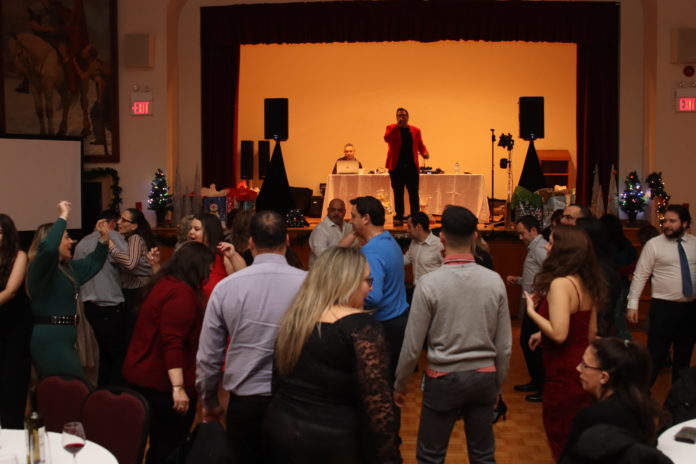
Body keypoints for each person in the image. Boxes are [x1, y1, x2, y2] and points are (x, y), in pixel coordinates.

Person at [394, 206, 512, 464]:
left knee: (430, 456)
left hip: (443, 378)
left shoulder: (429, 284)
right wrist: (498, 386)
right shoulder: (494, 281)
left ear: (442, 238)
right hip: (483, 378)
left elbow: (412, 346)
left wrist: (400, 383)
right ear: (475, 236)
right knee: (483, 456)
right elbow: (504, 345)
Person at [265, 247, 398, 463]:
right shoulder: (361, 327)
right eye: (367, 280)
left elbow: (277, 379)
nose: (371, 288)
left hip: (282, 428)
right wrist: (390, 457)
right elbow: (378, 405)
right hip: (333, 441)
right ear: (347, 282)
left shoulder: (296, 318)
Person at [196, 210, 307, 464]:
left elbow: (208, 355)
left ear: (250, 243)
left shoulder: (227, 287)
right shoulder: (309, 285)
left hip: (246, 402)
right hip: (296, 402)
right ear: (287, 240)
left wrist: (210, 401)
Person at [122, 241, 216, 464]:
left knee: (158, 447)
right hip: (161, 386)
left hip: (144, 379)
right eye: (208, 267)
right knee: (168, 449)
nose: (209, 272)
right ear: (196, 267)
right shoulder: (181, 293)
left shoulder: (164, 283)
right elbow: (172, 342)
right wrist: (178, 388)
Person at [524, 225, 604, 461]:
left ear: (564, 249)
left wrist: (532, 312)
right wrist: (543, 334)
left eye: (551, 242)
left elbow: (559, 334)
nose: (547, 247)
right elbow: (590, 332)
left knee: (560, 434)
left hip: (563, 370)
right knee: (578, 435)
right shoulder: (586, 280)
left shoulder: (560, 284)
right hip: (584, 365)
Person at [27, 201, 110, 379]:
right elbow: (49, 249)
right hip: (50, 341)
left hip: (66, 339)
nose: (71, 242)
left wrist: (103, 238)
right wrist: (63, 215)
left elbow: (93, 263)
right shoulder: (39, 268)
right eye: (66, 237)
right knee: (73, 387)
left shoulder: (67, 269)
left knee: (65, 390)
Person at [560, 338, 665, 463]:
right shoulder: (642, 405)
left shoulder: (591, 417)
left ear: (604, 377)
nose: (578, 368)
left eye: (584, 365)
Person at [626, 204, 696, 385]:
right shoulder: (654, 245)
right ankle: (640, 396)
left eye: (672, 221)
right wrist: (632, 304)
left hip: (690, 309)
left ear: (685, 223)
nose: (667, 225)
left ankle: (678, 399)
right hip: (663, 308)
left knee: (683, 359)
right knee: (654, 357)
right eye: (665, 221)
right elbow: (640, 275)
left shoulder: (694, 244)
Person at [73, 210, 128, 386]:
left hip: (89, 306)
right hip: (110, 304)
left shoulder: (82, 242)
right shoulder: (113, 236)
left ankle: (102, 392)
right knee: (118, 355)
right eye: (119, 222)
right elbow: (129, 263)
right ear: (111, 223)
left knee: (105, 353)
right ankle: (115, 395)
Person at [506, 215, 547, 402]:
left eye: (522, 233)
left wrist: (541, 294)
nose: (520, 237)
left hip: (538, 304)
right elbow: (535, 276)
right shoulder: (533, 248)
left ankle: (542, 385)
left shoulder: (540, 248)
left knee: (531, 343)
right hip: (533, 302)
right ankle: (536, 381)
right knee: (527, 342)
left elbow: (551, 273)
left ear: (533, 230)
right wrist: (519, 280)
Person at [0, 213, 31, 428]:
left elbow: (10, 291)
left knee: (12, 379)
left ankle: (13, 430)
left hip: (14, 325)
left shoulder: (19, 255)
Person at [109, 208, 156, 340]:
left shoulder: (135, 238)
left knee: (133, 332)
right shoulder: (132, 238)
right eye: (120, 218)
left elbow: (130, 263)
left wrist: (111, 247)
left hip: (137, 291)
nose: (119, 222)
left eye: (124, 220)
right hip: (137, 291)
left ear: (134, 226)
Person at [384, 107, 430, 225]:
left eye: (403, 115)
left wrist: (424, 152)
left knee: (413, 192)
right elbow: (387, 138)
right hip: (396, 166)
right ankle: (399, 216)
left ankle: (415, 216)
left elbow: (420, 144)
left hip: (411, 166)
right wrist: (397, 126)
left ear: (407, 117)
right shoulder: (391, 128)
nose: (401, 117)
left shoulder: (415, 130)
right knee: (398, 192)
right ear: (396, 117)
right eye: (399, 115)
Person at [187, 213, 246, 300]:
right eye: (190, 228)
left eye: (196, 229)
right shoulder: (186, 255)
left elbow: (245, 279)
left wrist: (232, 256)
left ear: (210, 232)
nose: (191, 232)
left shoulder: (224, 255)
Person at [308, 198, 353, 267]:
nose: (336, 213)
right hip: (322, 271)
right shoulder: (320, 229)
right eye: (333, 210)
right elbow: (322, 256)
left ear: (344, 212)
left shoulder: (349, 227)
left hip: (343, 269)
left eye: (340, 210)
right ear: (328, 210)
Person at [403, 211, 443, 286]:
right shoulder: (414, 242)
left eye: (409, 227)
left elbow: (447, 271)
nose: (407, 230)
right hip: (417, 289)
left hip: (432, 290)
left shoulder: (438, 245)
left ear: (418, 227)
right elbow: (406, 259)